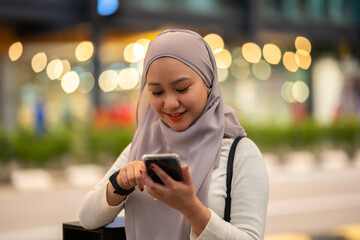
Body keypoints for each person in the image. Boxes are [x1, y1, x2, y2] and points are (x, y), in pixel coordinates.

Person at [79, 29, 269, 240]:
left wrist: (191, 208)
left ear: (208, 83)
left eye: (182, 88)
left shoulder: (240, 153)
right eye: (157, 92)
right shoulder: (142, 146)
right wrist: (120, 184)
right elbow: (87, 218)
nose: (170, 103)